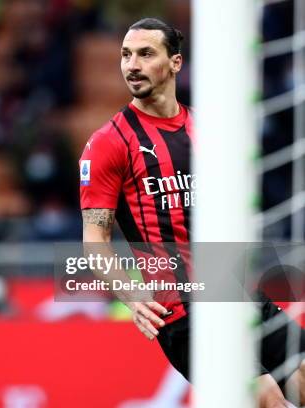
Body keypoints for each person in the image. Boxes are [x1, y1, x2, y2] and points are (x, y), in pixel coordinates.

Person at [79, 17, 304, 407]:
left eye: (146, 54)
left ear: (176, 63)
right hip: (182, 311)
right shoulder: (108, 144)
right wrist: (132, 296)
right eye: (126, 55)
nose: (132, 65)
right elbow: (94, 241)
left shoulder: (209, 129)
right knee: (266, 396)